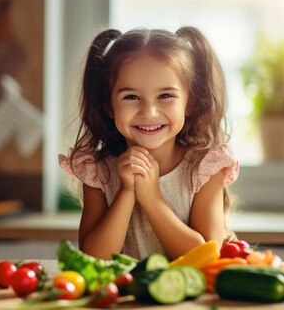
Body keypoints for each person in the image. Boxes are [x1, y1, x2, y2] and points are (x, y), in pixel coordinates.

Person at [58, 27, 239, 260]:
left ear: (190, 102)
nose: (149, 112)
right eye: (131, 97)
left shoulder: (204, 168)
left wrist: (152, 199)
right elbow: (94, 258)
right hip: (124, 296)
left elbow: (205, 256)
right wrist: (126, 191)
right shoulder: (99, 172)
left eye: (165, 96)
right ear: (108, 105)